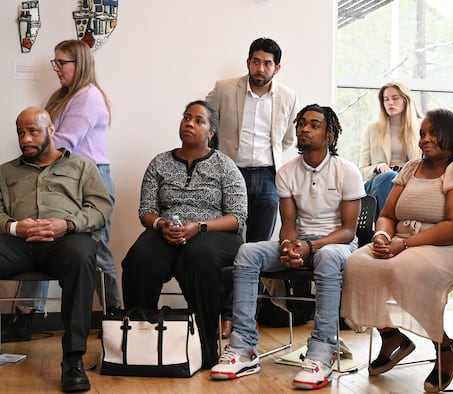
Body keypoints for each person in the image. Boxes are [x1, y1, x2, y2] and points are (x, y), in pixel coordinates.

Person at [341, 108, 453, 393]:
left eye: (433, 133)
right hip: (403, 242)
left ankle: (446, 348)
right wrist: (381, 234)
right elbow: (388, 213)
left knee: (406, 267)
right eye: (422, 133)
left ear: (450, 134)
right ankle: (392, 337)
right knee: (358, 263)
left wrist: (403, 244)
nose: (425, 139)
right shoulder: (412, 167)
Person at [210, 104, 365, 390]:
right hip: (301, 244)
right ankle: (244, 349)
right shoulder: (286, 172)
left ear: (330, 134)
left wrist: (310, 246)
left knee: (328, 256)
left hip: (337, 247)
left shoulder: (348, 171)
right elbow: (289, 222)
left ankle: (322, 352)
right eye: (301, 124)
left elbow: (347, 231)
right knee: (248, 251)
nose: (304, 129)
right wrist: (287, 246)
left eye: (314, 125)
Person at [2, 39, 120, 343]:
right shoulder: (61, 97)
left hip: (86, 178)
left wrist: (36, 155)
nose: (56, 68)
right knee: (38, 235)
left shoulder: (88, 97)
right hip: (52, 176)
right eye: (55, 62)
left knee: (98, 254)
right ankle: (25, 317)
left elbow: (63, 141)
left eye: (61, 63)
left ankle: (115, 316)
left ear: (79, 64)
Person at [121, 100, 247, 369]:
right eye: (186, 118)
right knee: (139, 259)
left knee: (198, 258)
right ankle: (140, 344)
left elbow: (237, 218)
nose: (189, 123)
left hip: (213, 232)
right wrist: (160, 225)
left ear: (211, 131)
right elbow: (146, 211)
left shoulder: (226, 166)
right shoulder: (159, 163)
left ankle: (203, 347)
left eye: (198, 120)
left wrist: (199, 227)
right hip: (168, 230)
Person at [0, 106, 112, 392]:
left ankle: (73, 359)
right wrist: (14, 227)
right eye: (20, 132)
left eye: (33, 131)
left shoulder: (82, 167)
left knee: (81, 257)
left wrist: (68, 224)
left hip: (66, 239)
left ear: (51, 130)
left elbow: (101, 207)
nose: (25, 139)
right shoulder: (6, 171)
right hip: (18, 241)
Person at [205, 37, 299, 337]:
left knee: (258, 248)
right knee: (230, 247)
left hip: (269, 178)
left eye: (267, 63)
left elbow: (286, 139)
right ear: (248, 62)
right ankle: (226, 315)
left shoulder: (288, 96)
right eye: (256, 61)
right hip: (231, 176)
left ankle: (250, 314)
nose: (261, 68)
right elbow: (206, 124)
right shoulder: (224, 88)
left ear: (277, 67)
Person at [359, 81, 420, 216]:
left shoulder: (420, 128)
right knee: (389, 177)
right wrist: (379, 167)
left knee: (399, 182)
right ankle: (384, 225)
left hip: (407, 182)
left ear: (405, 100)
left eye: (395, 98)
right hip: (378, 182)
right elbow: (362, 170)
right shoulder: (372, 129)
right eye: (386, 99)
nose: (390, 103)